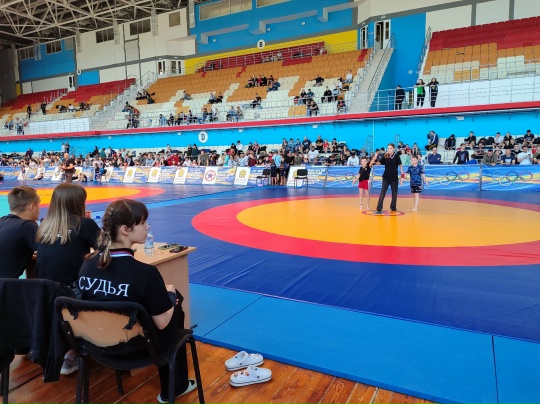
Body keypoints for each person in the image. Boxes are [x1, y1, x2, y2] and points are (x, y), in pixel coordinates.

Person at [79, 200, 196, 402]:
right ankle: (175, 387)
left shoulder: (87, 264)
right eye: (143, 223)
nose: (148, 227)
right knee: (175, 303)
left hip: (95, 344)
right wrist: (171, 296)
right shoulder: (144, 273)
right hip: (137, 348)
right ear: (125, 230)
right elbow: (162, 323)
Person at [0, 186, 40, 278]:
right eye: (38, 205)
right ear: (32, 207)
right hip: (5, 284)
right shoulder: (28, 226)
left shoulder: (1, 221)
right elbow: (48, 251)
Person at [371, 143, 404, 213]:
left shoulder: (396, 156)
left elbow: (401, 166)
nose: (389, 150)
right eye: (388, 148)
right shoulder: (385, 156)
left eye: (390, 148)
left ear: (394, 149)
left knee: (394, 193)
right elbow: (378, 163)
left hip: (394, 178)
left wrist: (402, 177)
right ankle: (379, 207)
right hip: (386, 177)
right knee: (383, 192)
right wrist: (375, 158)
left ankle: (393, 207)